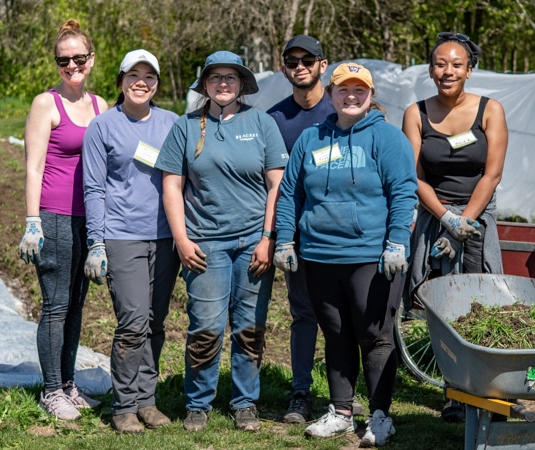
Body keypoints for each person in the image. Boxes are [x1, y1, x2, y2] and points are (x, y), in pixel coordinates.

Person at [273, 62, 418, 447]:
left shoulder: (387, 138)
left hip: (372, 257)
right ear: (332, 93)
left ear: (370, 95)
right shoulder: (311, 139)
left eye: (359, 90)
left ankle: (381, 416)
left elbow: (403, 191)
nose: (351, 97)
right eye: (343, 90)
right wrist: (285, 240)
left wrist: (397, 242)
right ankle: (340, 411)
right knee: (335, 334)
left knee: (375, 336)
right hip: (320, 255)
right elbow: (290, 193)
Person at [156, 50, 288, 432]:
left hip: (252, 242)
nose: (224, 84)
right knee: (206, 326)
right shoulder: (186, 126)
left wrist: (267, 238)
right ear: (206, 85)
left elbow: (276, 185)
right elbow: (172, 185)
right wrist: (181, 239)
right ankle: (198, 403)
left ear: (242, 84)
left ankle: (246, 401)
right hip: (204, 245)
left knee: (250, 326)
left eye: (231, 77)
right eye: (216, 78)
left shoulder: (262, 123)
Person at [401, 32, 509, 422]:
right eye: (440, 64)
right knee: (443, 305)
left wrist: (464, 222)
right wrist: (445, 218)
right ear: (431, 69)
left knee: (483, 302)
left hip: (478, 220)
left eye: (456, 65)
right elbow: (413, 176)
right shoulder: (416, 113)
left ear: (469, 70)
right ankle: (453, 392)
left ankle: (487, 391)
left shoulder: (490, 110)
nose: (448, 71)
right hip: (434, 217)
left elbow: (491, 173)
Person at [268, 35, 368, 424]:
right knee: (304, 314)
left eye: (307, 59)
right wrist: (279, 236)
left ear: (322, 65)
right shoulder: (276, 120)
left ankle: (344, 394)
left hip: (347, 237)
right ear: (284, 68)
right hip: (301, 237)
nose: (299, 66)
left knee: (346, 317)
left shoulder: (346, 105)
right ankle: (300, 394)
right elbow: (275, 184)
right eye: (292, 60)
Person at [81, 49, 181, 434]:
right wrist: (96, 242)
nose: (142, 82)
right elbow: (93, 187)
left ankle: (146, 400)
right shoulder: (103, 127)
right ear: (121, 80)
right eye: (133, 75)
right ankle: (123, 406)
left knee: (156, 321)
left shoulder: (172, 123)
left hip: (165, 236)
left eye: (149, 76)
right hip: (122, 236)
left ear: (156, 83)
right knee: (133, 322)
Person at [17, 18, 108, 421]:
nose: (71, 66)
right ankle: (50, 391)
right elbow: (34, 166)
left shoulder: (101, 105)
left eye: (78, 58)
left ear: (91, 59)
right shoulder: (45, 104)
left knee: (76, 306)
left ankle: (68, 384)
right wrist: (32, 221)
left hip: (88, 221)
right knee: (55, 306)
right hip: (53, 218)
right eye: (63, 60)